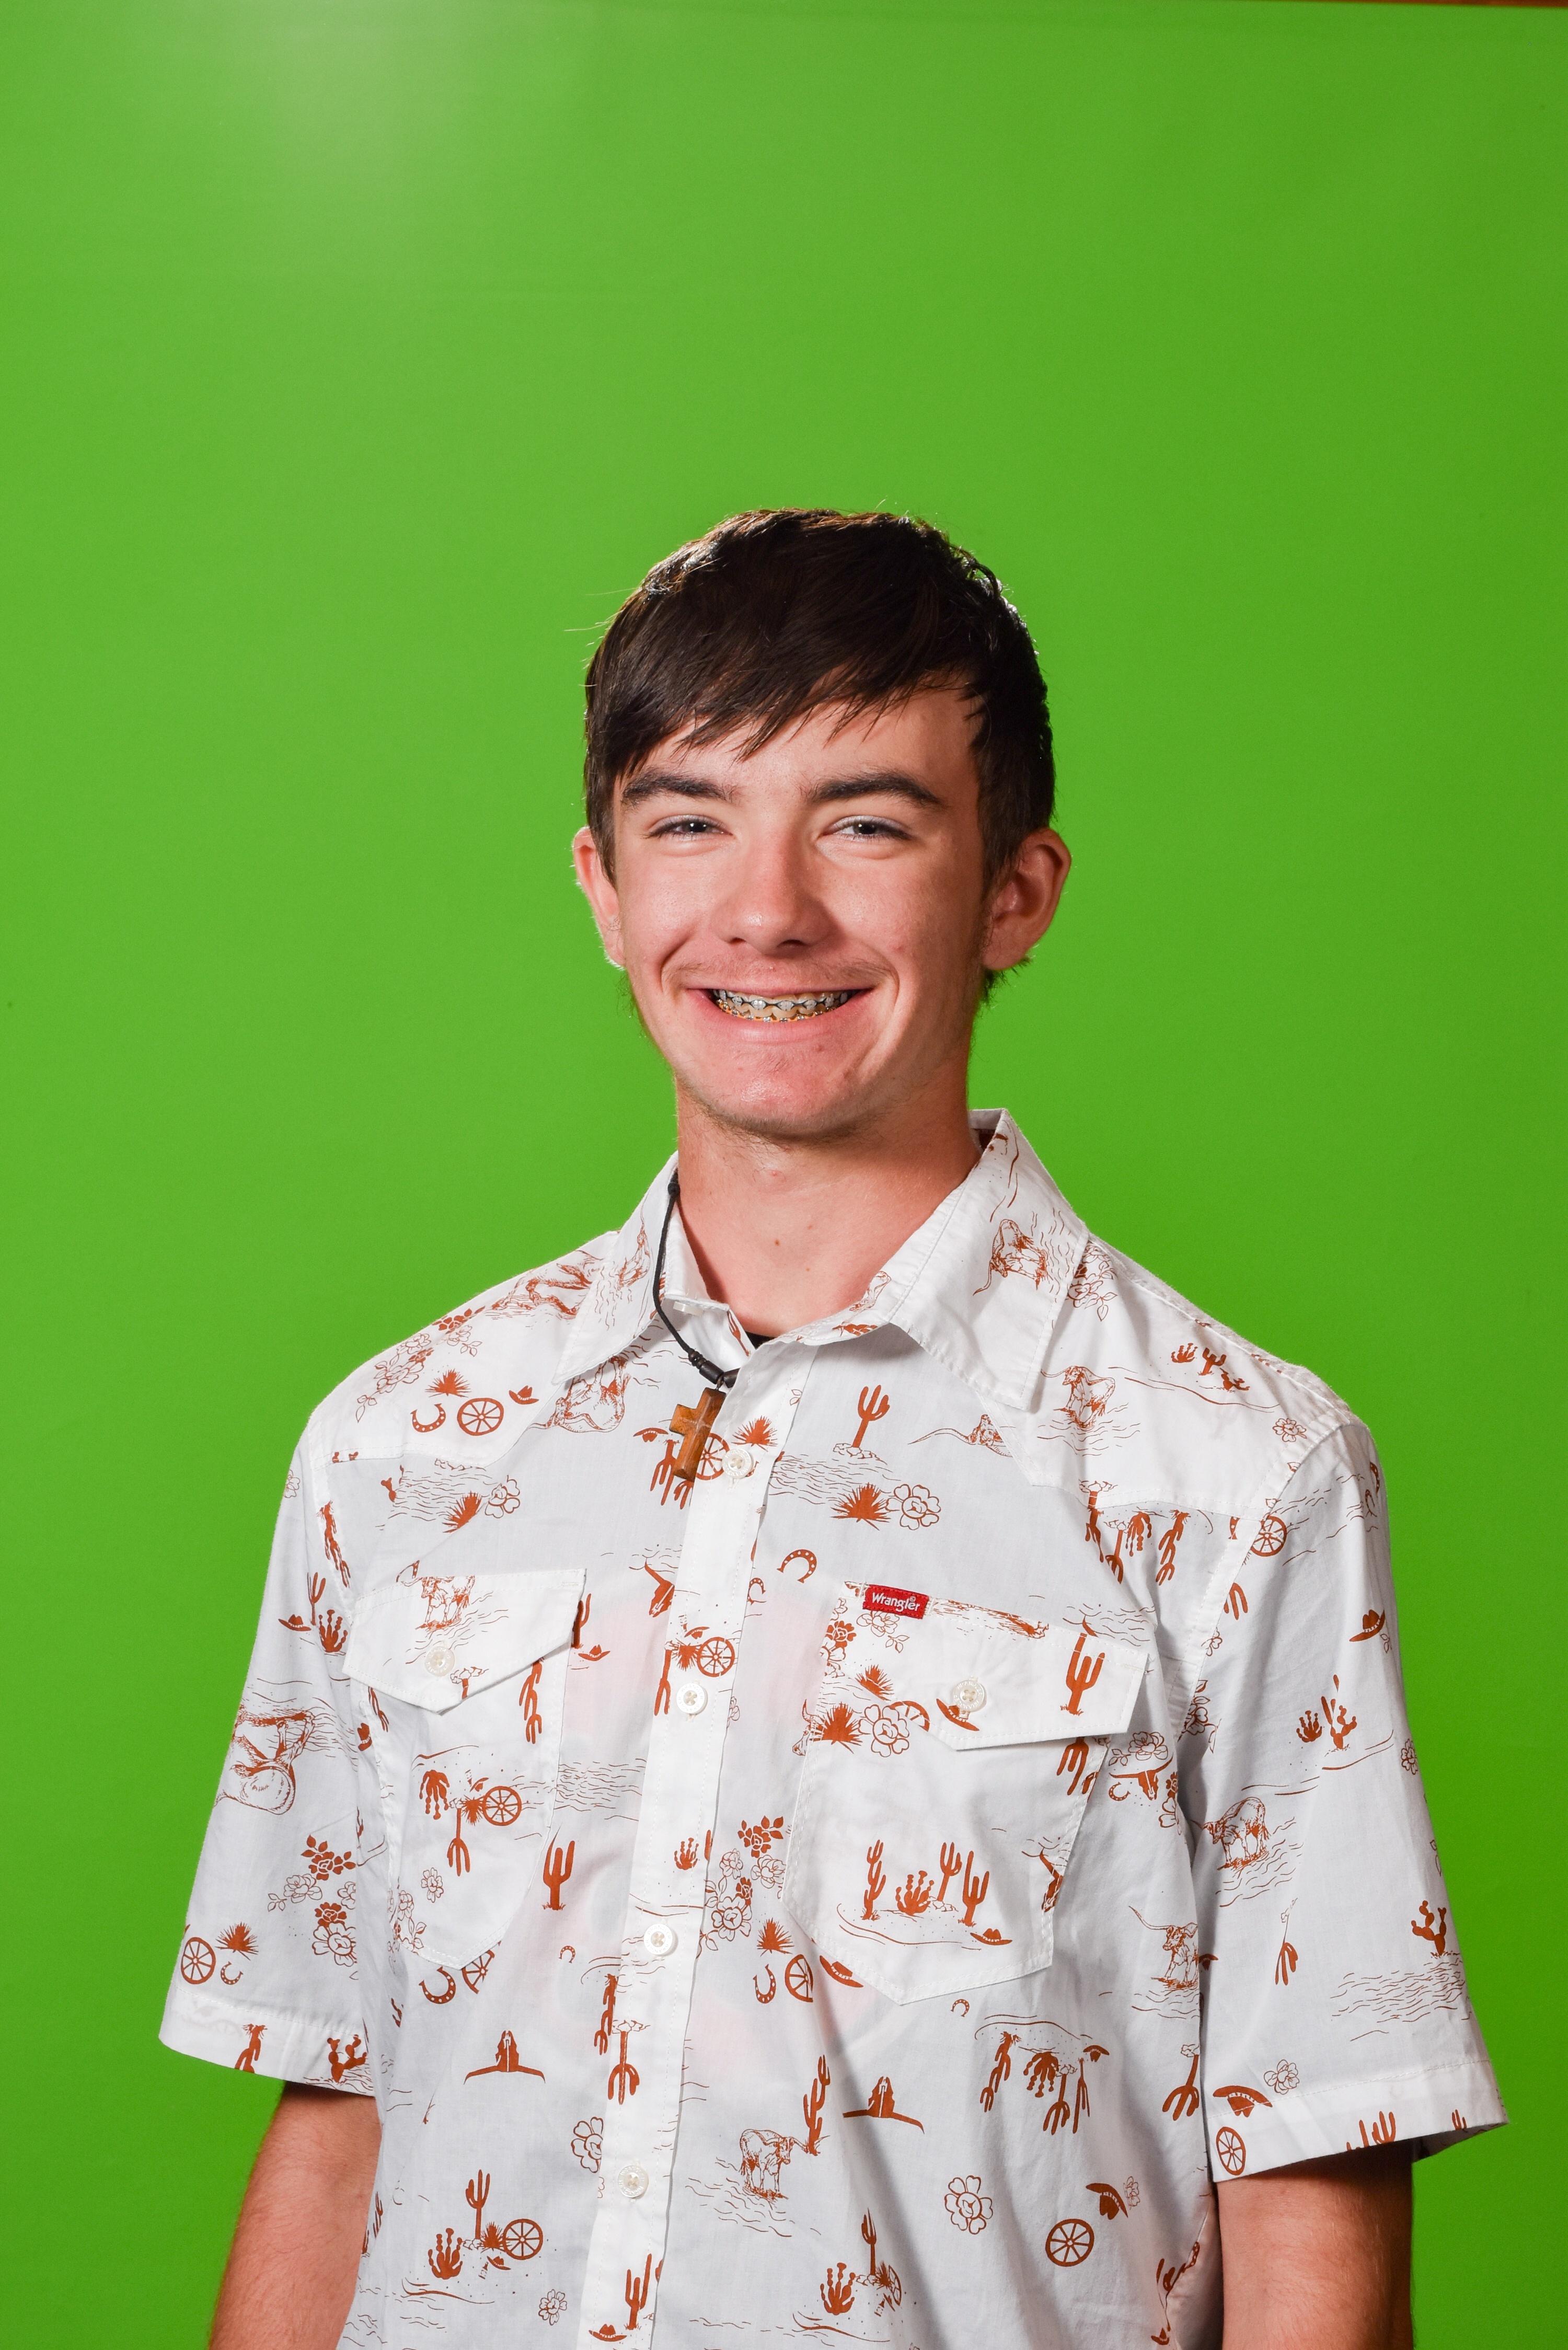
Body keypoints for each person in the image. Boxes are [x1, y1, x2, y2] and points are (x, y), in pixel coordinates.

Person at [164, 509, 1502, 2350]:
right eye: (690, 822)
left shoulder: (1234, 1472)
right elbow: (339, 2106)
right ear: (601, 883)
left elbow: (1316, 2161)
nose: (767, 910)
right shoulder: (402, 1447)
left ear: (1015, 890)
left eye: (866, 824)